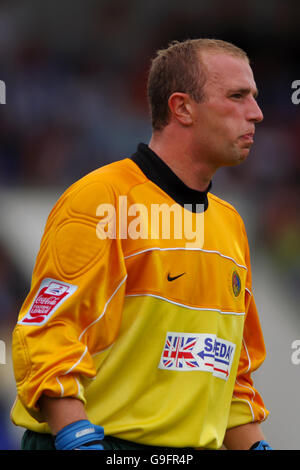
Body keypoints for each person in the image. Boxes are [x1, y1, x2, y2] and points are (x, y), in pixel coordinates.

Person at [11, 38, 273, 451]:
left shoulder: (230, 223)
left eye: (253, 98)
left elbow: (229, 373)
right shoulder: (102, 199)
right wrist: (76, 438)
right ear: (182, 108)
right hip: (98, 444)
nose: (256, 113)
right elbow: (47, 332)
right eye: (237, 96)